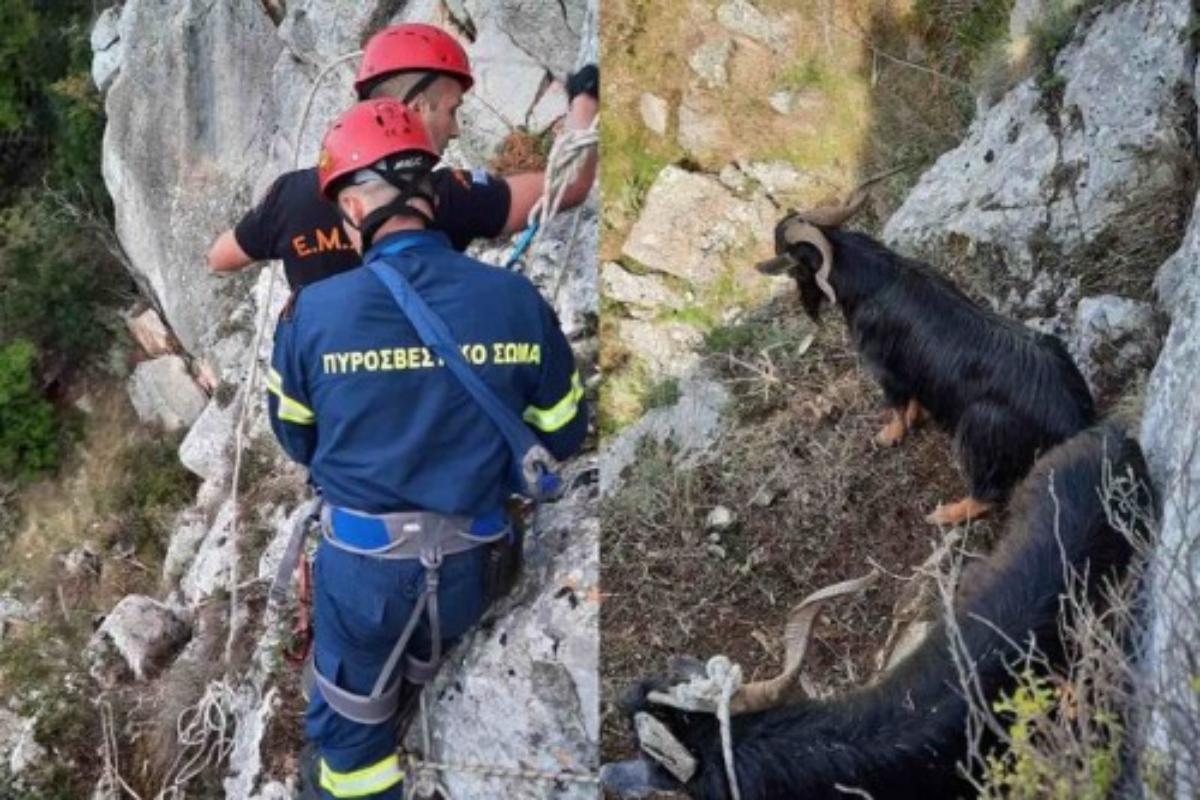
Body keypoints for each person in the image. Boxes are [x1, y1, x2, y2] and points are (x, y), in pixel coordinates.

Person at [266, 98, 587, 799]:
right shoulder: (515, 298)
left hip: (364, 576)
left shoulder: (312, 314)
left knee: (350, 741)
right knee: (416, 671)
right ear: (432, 197)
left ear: (354, 208)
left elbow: (296, 437)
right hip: (478, 563)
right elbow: (563, 430)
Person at [208, 22, 599, 289]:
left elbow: (220, 258)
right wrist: (584, 100)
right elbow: (571, 185)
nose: (456, 129)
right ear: (415, 108)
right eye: (452, 110)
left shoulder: (289, 196)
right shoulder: (445, 198)